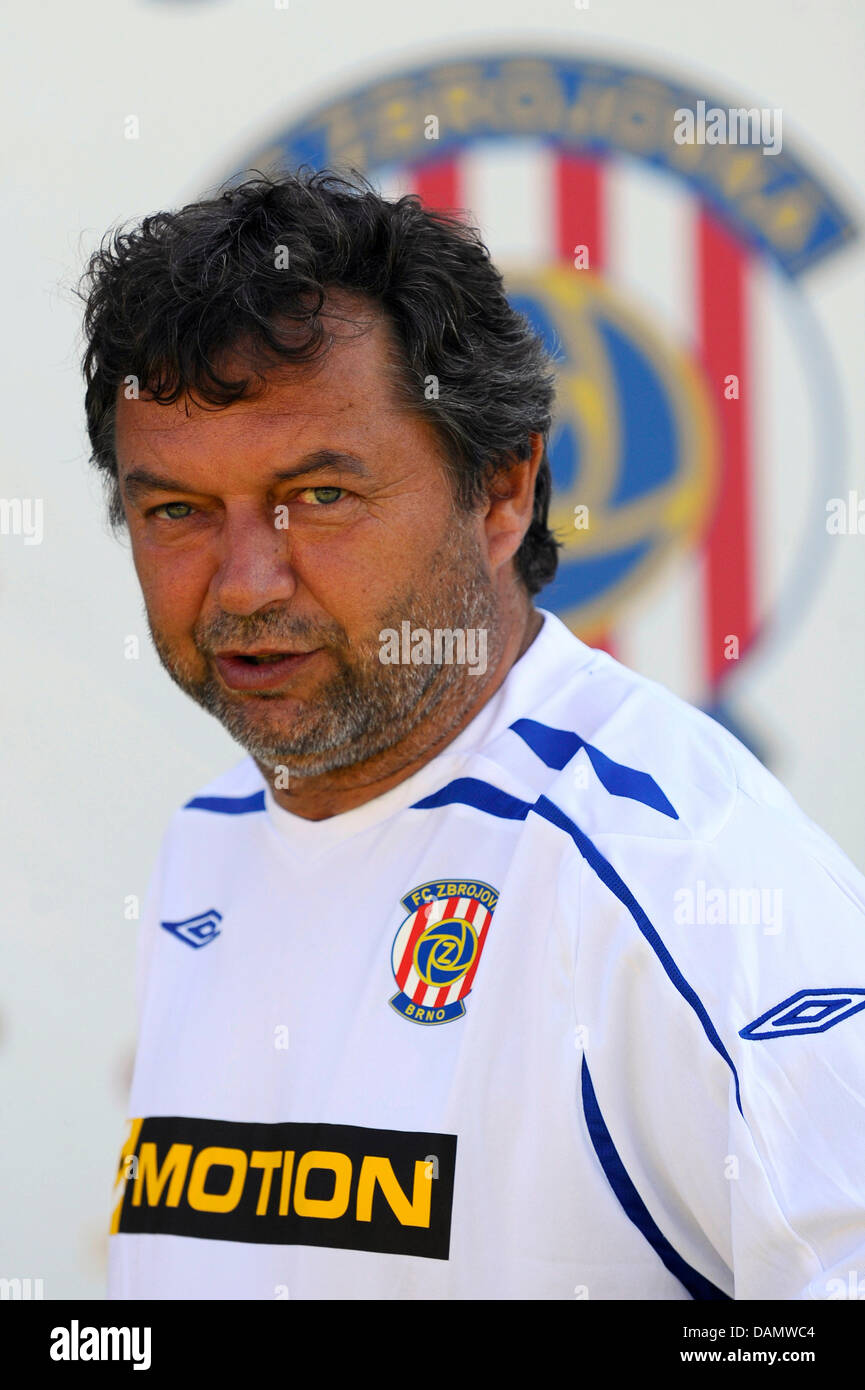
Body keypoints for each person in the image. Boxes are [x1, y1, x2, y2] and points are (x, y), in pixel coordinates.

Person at [80, 168, 865, 1300]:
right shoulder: (207, 840)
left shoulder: (681, 874)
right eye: (177, 513)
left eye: (322, 496)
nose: (245, 584)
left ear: (501, 490)